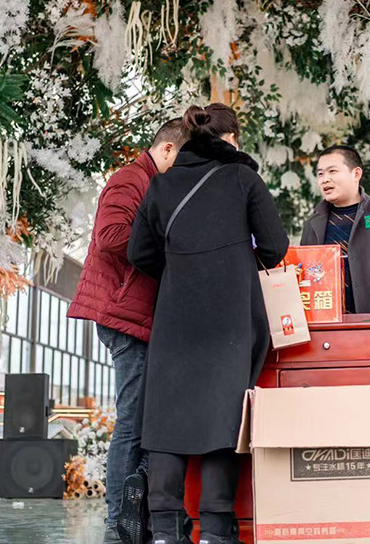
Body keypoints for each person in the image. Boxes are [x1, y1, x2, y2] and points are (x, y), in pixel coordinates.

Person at [128, 103, 289, 544]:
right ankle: (217, 528)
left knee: (166, 419)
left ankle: (165, 528)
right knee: (225, 417)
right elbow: (275, 247)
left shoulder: (161, 184)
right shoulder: (243, 179)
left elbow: (138, 252)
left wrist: (181, 271)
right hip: (230, 319)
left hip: (175, 317)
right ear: (231, 138)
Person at [68, 118, 189, 544]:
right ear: (168, 150)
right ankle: (118, 524)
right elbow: (111, 236)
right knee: (133, 422)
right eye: (184, 161)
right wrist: (170, 246)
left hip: (136, 315)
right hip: (124, 313)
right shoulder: (131, 179)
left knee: (143, 419)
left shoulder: (146, 181)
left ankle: (133, 518)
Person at [301, 145, 370, 353]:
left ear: (356, 174)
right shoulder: (313, 225)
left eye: (332, 171)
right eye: (320, 174)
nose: (325, 179)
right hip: (326, 333)